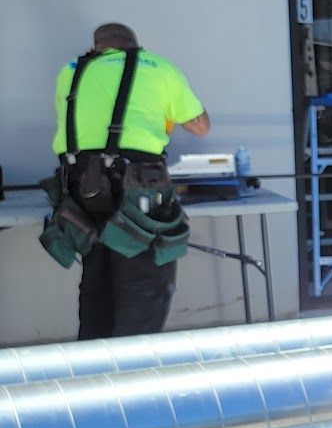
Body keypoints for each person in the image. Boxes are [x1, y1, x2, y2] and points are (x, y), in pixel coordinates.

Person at [42, 23, 210, 339]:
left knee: (98, 281)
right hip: (138, 190)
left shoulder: (70, 71)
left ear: (97, 47)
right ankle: (136, 375)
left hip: (80, 191)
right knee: (144, 284)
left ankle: (94, 371)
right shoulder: (159, 68)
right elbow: (201, 126)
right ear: (134, 46)